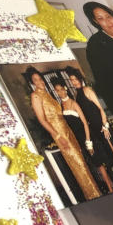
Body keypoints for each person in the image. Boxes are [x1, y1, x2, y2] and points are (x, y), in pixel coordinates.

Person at [26, 67, 101, 200]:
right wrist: (58, 136)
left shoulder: (47, 93)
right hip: (60, 134)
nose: (40, 82)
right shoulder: (35, 95)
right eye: (35, 80)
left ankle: (95, 192)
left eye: (40, 78)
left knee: (81, 162)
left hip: (67, 130)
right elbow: (42, 120)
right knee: (77, 164)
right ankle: (93, 196)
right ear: (32, 83)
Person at [67, 71, 113, 189]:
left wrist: (105, 126)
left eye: (75, 79)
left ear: (80, 78)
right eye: (71, 80)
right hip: (94, 129)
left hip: (102, 126)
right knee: (108, 154)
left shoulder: (88, 90)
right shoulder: (76, 95)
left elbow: (101, 109)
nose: (74, 82)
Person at [53, 82, 113, 194]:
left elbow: (85, 123)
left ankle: (111, 189)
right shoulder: (61, 105)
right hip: (77, 138)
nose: (60, 92)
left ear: (65, 89)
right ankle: (109, 184)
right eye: (57, 90)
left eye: (61, 89)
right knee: (94, 163)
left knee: (98, 163)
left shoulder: (74, 104)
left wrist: (88, 142)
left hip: (87, 136)